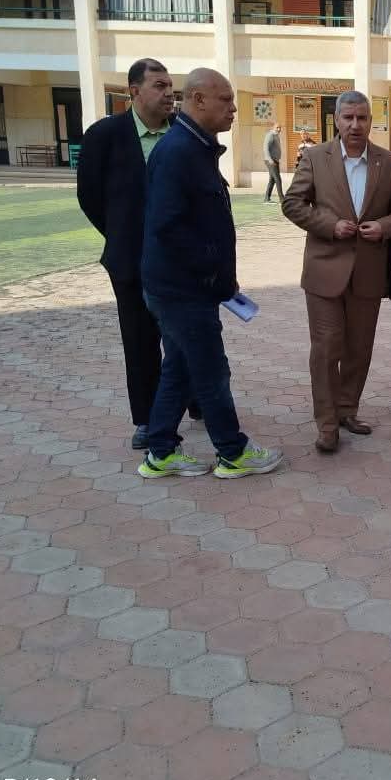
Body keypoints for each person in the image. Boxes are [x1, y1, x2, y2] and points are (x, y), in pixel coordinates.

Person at [137, 68, 284, 480]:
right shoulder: (178, 151)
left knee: (180, 367)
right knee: (210, 370)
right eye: (226, 100)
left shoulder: (194, 147)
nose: (234, 109)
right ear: (198, 100)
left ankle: (160, 451)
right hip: (182, 291)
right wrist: (213, 269)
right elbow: (168, 227)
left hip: (185, 287)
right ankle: (232, 452)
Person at [281, 91, 391, 453]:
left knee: (359, 349)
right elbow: (292, 203)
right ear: (337, 120)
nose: (355, 125)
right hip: (324, 271)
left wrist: (384, 227)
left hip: (368, 273)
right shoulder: (315, 157)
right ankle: (327, 424)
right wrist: (329, 225)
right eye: (348, 118)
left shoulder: (389, 162)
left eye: (362, 118)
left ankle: (347, 410)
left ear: (371, 121)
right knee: (327, 349)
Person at [76, 58, 199, 450]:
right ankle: (147, 420)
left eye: (170, 87)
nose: (168, 94)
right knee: (141, 342)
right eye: (159, 86)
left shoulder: (184, 132)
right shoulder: (105, 136)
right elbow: (89, 196)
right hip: (131, 261)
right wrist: (123, 236)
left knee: (191, 334)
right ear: (134, 91)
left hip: (183, 261)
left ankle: (199, 400)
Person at [262, 123, 284, 203]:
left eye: (280, 128)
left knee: (272, 180)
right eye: (277, 127)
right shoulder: (270, 135)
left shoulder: (276, 135)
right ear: (273, 127)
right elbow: (265, 148)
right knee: (278, 179)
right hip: (271, 161)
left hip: (275, 160)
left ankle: (267, 198)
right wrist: (270, 160)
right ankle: (282, 199)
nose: (279, 129)